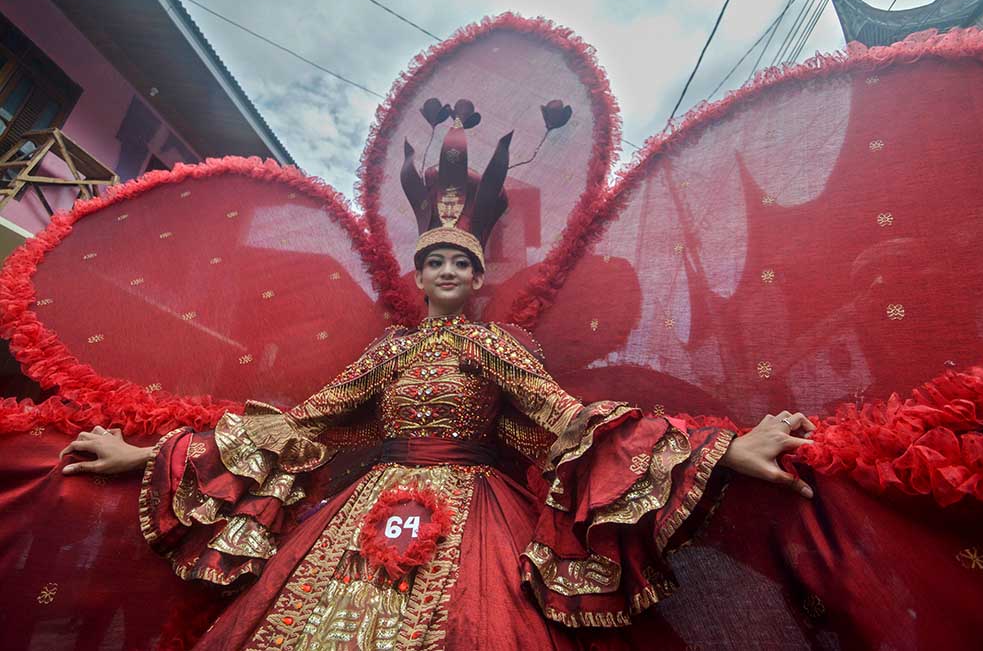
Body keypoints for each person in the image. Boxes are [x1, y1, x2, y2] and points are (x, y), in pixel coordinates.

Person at [57, 111, 817, 650]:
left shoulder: (492, 346)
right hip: (366, 506)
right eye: (436, 261)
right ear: (419, 273)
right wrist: (145, 457)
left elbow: (567, 419)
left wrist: (722, 450)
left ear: (477, 276)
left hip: (478, 513)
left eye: (462, 261)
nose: (448, 269)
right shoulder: (388, 351)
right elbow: (302, 422)